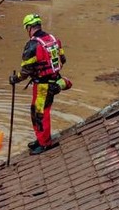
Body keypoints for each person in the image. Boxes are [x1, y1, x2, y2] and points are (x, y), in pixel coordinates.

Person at [8, 14, 72, 155]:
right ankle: (41, 138)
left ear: (29, 28)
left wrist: (15, 79)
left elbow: (25, 71)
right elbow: (63, 59)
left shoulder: (32, 45)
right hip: (54, 80)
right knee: (38, 112)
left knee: (40, 114)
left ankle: (44, 144)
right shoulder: (53, 40)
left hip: (42, 85)